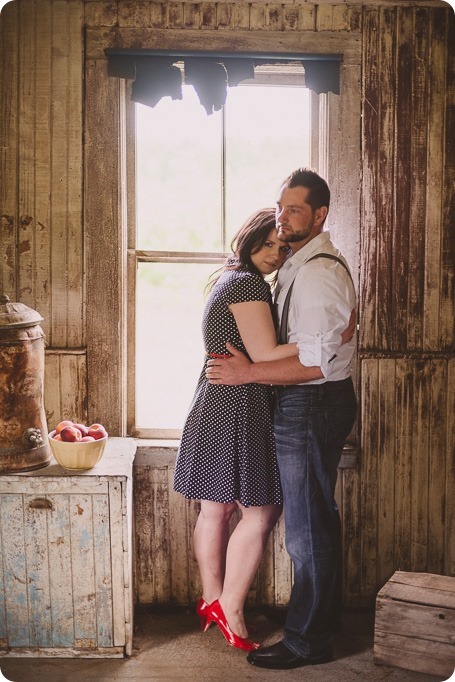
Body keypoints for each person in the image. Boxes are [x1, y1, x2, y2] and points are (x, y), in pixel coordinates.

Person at [206, 168, 358, 669]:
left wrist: (249, 371)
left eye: (294, 210)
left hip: (312, 402)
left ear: (320, 214)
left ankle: (307, 642)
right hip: (304, 401)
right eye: (279, 207)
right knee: (313, 524)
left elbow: (316, 360)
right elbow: (325, 337)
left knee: (307, 530)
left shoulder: (317, 272)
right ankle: (318, 628)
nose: (283, 218)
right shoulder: (299, 261)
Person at [173, 208, 321, 652]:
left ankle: (213, 600)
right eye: (267, 243)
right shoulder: (246, 284)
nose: (276, 253)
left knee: (215, 508)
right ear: (249, 240)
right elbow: (265, 351)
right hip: (239, 402)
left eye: (282, 246)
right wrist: (329, 337)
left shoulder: (230, 279)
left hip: (219, 399)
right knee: (259, 512)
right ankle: (230, 607)